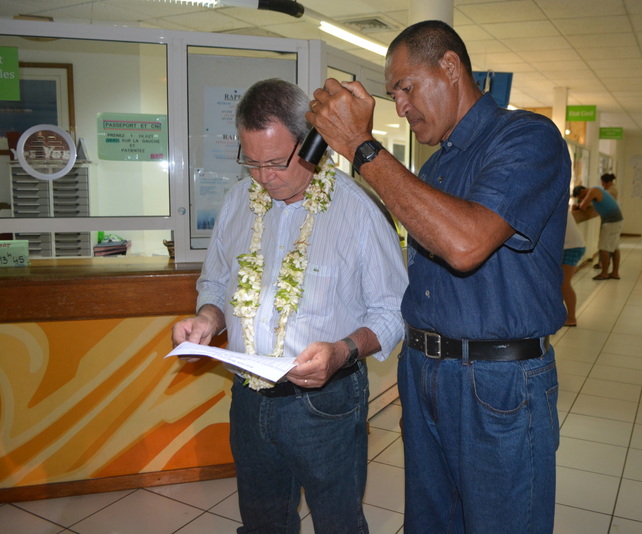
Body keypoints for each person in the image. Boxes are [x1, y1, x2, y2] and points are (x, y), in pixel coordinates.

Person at [307, 19, 570, 534]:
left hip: (496, 383)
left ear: (450, 67)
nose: (400, 107)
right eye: (392, 95)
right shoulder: (434, 170)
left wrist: (363, 148)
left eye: (406, 88)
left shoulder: (527, 138)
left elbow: (466, 244)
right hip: (425, 371)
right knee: (431, 523)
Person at [171, 79, 407, 534]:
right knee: (262, 524)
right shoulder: (239, 202)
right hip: (248, 397)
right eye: (252, 162)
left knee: (337, 522)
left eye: (277, 162)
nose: (264, 177)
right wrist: (207, 318)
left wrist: (342, 350)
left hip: (326, 403)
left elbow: (393, 309)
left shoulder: (357, 210)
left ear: (313, 143)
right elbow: (217, 282)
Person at [573, 184, 623, 280]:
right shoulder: (596, 191)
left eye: (581, 197)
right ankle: (615, 272)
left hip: (611, 221)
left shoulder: (593, 191)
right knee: (615, 247)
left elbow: (583, 206)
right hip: (617, 220)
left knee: (603, 247)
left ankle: (604, 273)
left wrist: (579, 205)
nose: (582, 198)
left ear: (582, 191)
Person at [562, 208, 586, 327]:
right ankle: (560, 314)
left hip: (572, 247)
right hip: (568, 246)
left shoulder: (553, 205)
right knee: (559, 284)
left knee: (564, 284)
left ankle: (571, 318)